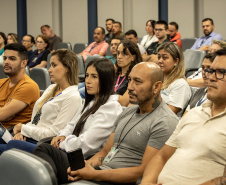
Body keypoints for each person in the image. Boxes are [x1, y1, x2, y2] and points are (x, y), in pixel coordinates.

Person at [35, 62, 179, 184]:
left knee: (44, 152)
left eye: (138, 82)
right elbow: (105, 152)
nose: (129, 87)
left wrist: (93, 174)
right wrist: (85, 168)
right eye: (129, 80)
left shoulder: (164, 122)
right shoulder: (127, 112)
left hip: (119, 181)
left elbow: (143, 172)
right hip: (102, 173)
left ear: (156, 87)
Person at [140, 49, 226, 185]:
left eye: (221, 72)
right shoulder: (194, 113)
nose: (211, 77)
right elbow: (162, 156)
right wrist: (147, 183)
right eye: (211, 71)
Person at [33, 58, 124, 184]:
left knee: (43, 149)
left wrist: (63, 143)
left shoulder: (111, 107)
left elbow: (86, 145)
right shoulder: (91, 102)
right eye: (87, 76)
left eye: (94, 77)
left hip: (84, 159)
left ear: (106, 80)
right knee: (42, 148)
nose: (87, 81)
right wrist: (62, 135)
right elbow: (71, 125)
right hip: (70, 150)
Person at [0, 49, 82, 153]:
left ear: (67, 68)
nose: (49, 70)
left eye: (54, 65)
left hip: (43, 145)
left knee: (10, 145)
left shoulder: (73, 97)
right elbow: (36, 121)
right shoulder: (51, 88)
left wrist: (24, 128)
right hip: (29, 137)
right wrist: (21, 133)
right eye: (50, 65)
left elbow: (55, 133)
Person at [0, 43, 40, 129]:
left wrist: (3, 114)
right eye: (5, 58)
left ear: (23, 63)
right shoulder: (1, 83)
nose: (6, 62)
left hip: (10, 135)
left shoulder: (28, 86)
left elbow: (1, 115)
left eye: (12, 59)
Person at [157, 42, 191, 117]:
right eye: (159, 57)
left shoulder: (180, 84)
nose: (160, 61)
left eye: (164, 58)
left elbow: (168, 114)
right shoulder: (157, 80)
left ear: (176, 61)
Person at [115, 39, 142, 106]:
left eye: (124, 54)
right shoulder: (114, 74)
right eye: (118, 53)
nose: (119, 57)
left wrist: (105, 97)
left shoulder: (136, 78)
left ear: (133, 57)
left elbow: (123, 101)